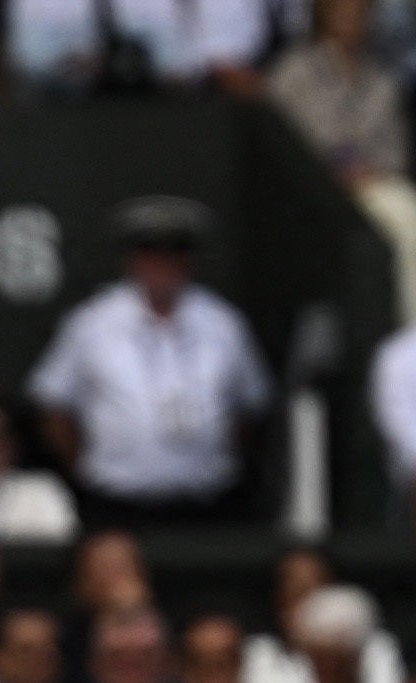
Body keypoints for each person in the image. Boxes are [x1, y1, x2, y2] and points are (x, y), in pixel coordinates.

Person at [28, 195, 269, 522]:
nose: (162, 266)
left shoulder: (223, 324)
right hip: (115, 503)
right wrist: (84, 466)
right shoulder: (92, 323)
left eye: (174, 255)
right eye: (152, 255)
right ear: (133, 260)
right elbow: (53, 403)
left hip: (207, 503)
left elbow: (250, 408)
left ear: (188, 261)